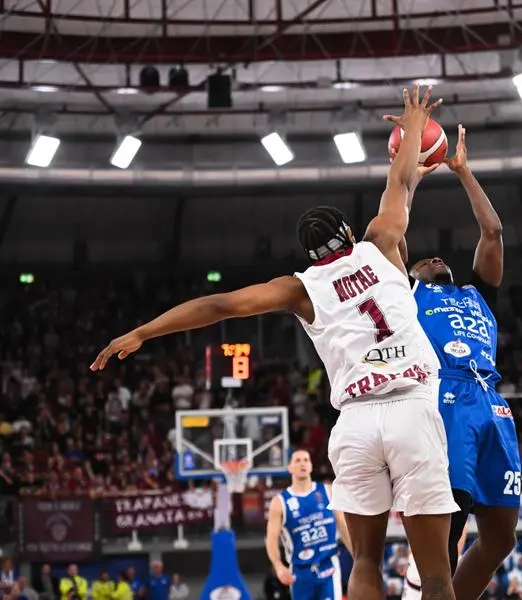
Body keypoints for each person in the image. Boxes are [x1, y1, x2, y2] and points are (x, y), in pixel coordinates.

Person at [90, 84, 458, 600]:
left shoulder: (300, 287)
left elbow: (218, 305)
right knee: (437, 575)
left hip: (354, 422)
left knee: (366, 564)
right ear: (351, 233)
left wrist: (143, 331)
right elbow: (399, 180)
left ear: (308, 254)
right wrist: (416, 123)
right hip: (411, 407)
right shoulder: (383, 239)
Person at [402, 125, 520, 600]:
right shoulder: (407, 294)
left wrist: (463, 172)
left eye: (436, 259)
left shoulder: (477, 292)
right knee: (449, 528)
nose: (433, 258)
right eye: (422, 261)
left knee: (500, 537)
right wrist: (412, 175)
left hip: (491, 401)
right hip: (445, 397)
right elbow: (391, 234)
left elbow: (492, 230)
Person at [266, 449, 351, 600]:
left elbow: (343, 526)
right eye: (297, 461)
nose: (302, 463)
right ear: (290, 468)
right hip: (300, 571)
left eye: (306, 460)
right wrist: (279, 567)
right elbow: (271, 539)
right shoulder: (280, 502)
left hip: (328, 566)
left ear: (311, 466)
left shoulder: (328, 491)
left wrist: (357, 556)